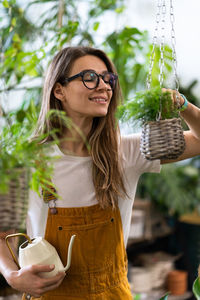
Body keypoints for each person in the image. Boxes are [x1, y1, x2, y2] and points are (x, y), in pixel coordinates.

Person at [0, 46, 200, 300]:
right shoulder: (27, 160)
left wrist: (183, 105)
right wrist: (12, 275)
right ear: (59, 90)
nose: (104, 86)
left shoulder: (127, 151)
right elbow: (3, 233)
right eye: (89, 77)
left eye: (108, 79)